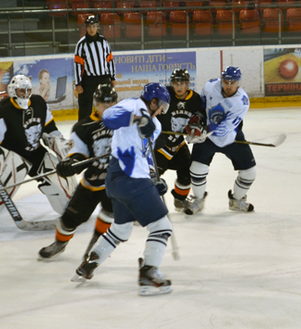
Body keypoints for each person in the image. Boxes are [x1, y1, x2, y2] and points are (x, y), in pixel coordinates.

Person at [72, 82, 174, 296]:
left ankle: (90, 263)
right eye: (161, 106)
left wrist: (154, 180)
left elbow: (146, 156)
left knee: (121, 228)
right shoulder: (134, 105)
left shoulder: (154, 126)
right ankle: (148, 275)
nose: (162, 111)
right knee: (162, 227)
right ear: (153, 101)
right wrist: (138, 118)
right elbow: (108, 117)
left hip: (120, 181)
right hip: (130, 180)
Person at [0, 74, 74, 221]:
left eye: (27, 90)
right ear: (13, 91)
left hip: (36, 154)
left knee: (61, 178)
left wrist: (61, 143)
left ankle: (72, 209)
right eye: (21, 91)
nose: (25, 94)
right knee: (1, 188)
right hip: (14, 158)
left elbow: (50, 128)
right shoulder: (5, 108)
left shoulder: (39, 103)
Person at [38, 83, 117, 260]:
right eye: (105, 106)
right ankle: (60, 243)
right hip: (92, 183)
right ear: (96, 105)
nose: (110, 109)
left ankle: (96, 244)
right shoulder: (83, 127)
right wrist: (72, 164)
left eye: (113, 104)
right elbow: (78, 154)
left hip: (115, 183)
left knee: (109, 212)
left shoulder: (125, 123)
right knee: (69, 218)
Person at [184, 66, 256, 215]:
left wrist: (203, 130)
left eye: (233, 83)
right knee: (197, 169)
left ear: (239, 83)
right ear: (222, 80)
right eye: (226, 82)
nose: (229, 86)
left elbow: (224, 129)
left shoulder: (241, 102)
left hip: (231, 137)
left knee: (249, 172)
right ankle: (198, 200)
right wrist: (199, 119)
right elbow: (202, 104)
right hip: (208, 138)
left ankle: (236, 200)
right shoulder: (210, 86)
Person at [153, 69, 202, 211]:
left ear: (188, 84)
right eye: (176, 83)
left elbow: (200, 117)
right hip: (161, 146)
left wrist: (196, 129)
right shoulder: (165, 94)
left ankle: (180, 200)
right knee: (151, 177)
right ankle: (142, 205)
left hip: (179, 145)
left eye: (182, 83)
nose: (179, 87)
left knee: (187, 172)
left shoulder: (196, 99)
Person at [74, 14, 116, 122]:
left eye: (94, 26)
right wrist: (78, 83)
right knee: (85, 107)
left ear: (98, 27)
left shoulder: (104, 42)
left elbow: (109, 60)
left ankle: (108, 126)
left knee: (107, 104)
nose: (92, 29)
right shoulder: (81, 44)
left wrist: (112, 77)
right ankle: (83, 130)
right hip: (88, 80)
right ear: (86, 28)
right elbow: (78, 64)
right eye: (89, 26)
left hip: (103, 78)